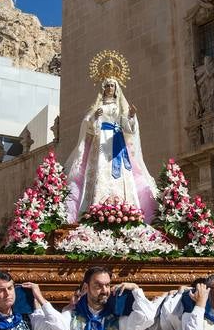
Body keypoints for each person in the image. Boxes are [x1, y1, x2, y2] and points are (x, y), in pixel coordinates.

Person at [64, 75, 158, 223]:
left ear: (116, 89)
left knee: (122, 175)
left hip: (117, 144)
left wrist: (132, 116)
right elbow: (87, 126)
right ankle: (96, 206)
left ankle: (125, 207)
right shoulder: (97, 107)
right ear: (103, 89)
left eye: (112, 86)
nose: (109, 88)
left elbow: (128, 129)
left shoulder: (120, 107)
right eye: (107, 86)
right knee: (99, 172)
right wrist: (94, 117)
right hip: (100, 144)